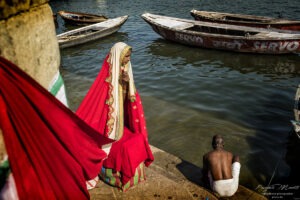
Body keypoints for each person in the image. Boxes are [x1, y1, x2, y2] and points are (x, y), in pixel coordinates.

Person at [76, 42, 154, 191]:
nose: (129, 59)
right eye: (127, 56)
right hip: (110, 120)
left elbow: (126, 99)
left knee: (136, 138)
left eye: (130, 56)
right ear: (119, 57)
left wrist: (127, 84)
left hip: (120, 117)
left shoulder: (125, 70)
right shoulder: (109, 75)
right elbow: (105, 101)